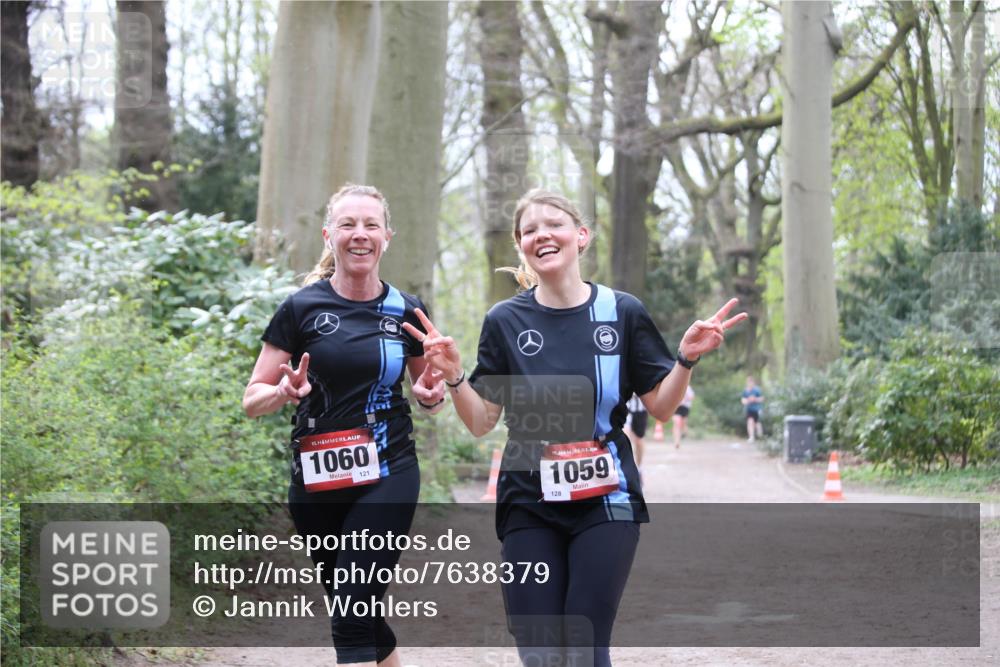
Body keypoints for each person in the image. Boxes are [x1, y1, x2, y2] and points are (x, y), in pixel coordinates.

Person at [404, 189, 746, 667]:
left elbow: (661, 408)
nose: (541, 234)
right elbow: (483, 422)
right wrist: (456, 377)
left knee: (584, 648)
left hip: (606, 500)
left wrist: (685, 359)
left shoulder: (621, 312)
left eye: (554, 224)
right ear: (521, 246)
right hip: (528, 500)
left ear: (581, 236)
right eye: (528, 230)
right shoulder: (504, 320)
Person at [242, 184, 445, 667]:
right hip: (316, 480)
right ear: (328, 234)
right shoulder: (300, 308)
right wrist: (283, 392)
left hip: (388, 469)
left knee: (352, 609)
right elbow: (253, 400)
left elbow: (428, 392)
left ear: (387, 237)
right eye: (348, 225)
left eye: (371, 225)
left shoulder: (406, 310)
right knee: (358, 607)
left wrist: (431, 397)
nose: (360, 235)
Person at [623, 394, 648, 465]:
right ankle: (626, 465)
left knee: (639, 442)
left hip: (640, 411)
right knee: (625, 437)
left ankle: (639, 466)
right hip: (626, 409)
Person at [741, 375, 764, 442]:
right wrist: (747, 400)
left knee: (756, 423)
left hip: (756, 409)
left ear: (753, 383)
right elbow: (743, 400)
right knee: (750, 422)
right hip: (749, 409)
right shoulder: (746, 390)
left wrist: (755, 399)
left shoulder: (757, 390)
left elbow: (761, 399)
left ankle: (760, 436)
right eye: (748, 382)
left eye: (751, 382)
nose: (749, 384)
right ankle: (751, 437)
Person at [672, 385, 695, 449]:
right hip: (676, 406)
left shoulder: (687, 387)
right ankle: (677, 442)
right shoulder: (674, 386)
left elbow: (692, 397)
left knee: (683, 423)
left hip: (685, 407)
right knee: (676, 422)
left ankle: (684, 433)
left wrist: (684, 400)